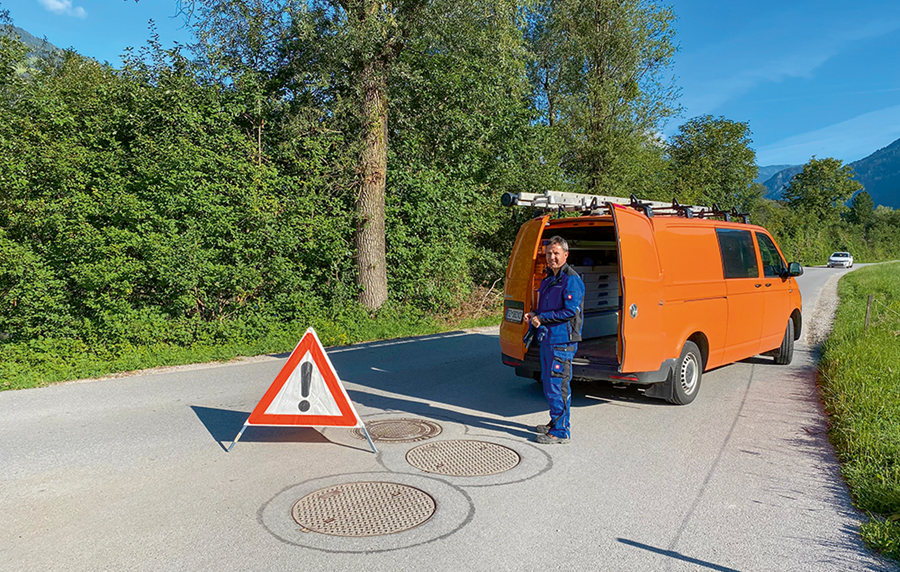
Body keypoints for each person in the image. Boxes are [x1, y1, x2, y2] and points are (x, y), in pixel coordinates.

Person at [524, 236, 585, 445]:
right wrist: (534, 314)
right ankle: (555, 422)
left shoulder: (571, 280)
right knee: (549, 383)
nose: (552, 257)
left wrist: (543, 318)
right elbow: (545, 308)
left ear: (565, 255)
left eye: (556, 253)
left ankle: (561, 432)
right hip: (548, 339)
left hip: (562, 341)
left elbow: (569, 311)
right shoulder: (549, 278)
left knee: (558, 385)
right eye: (549, 253)